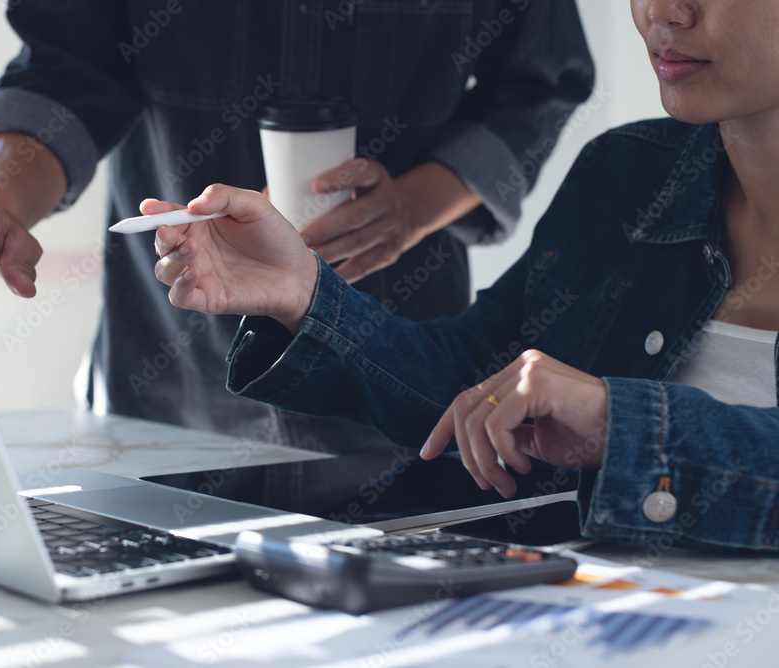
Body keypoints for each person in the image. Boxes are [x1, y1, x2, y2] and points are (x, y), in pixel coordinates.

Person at [148, 0, 779, 551]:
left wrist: (624, 424)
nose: (664, 12)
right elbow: (477, 380)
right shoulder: (627, 172)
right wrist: (305, 295)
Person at [0, 1, 594, 455]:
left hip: (398, 378)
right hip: (164, 383)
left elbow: (539, 81)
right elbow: (67, 64)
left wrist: (415, 206)